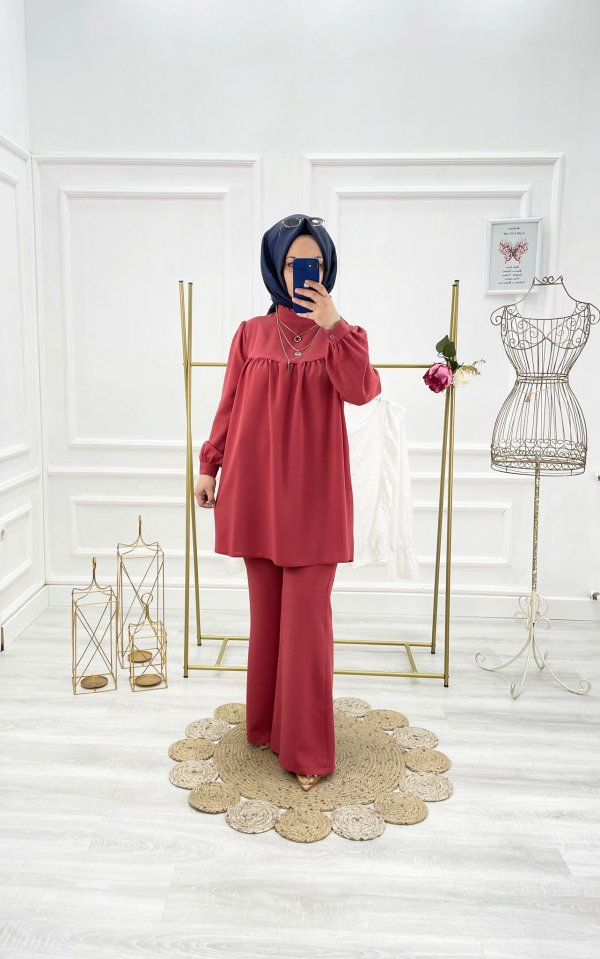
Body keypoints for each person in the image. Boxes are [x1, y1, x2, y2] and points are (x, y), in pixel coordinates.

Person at [195, 214, 381, 791]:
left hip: (315, 498)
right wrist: (209, 463)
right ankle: (269, 728)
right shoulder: (250, 334)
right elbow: (229, 403)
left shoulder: (342, 337)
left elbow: (362, 391)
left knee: (307, 626)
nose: (307, 273)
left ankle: (306, 751)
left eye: (316, 264)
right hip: (255, 491)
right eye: (296, 263)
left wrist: (335, 325)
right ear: (277, 267)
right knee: (268, 619)